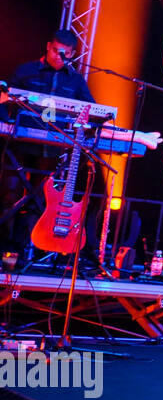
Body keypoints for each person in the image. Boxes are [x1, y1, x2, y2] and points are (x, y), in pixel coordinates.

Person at [2, 29, 97, 261]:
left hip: (52, 148)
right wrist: (6, 122)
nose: (58, 56)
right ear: (48, 46)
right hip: (19, 144)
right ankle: (3, 247)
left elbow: (92, 109)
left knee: (39, 199)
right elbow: (5, 99)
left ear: (72, 53)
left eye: (64, 54)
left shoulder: (76, 81)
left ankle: (22, 250)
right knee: (10, 194)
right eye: (55, 51)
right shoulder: (26, 71)